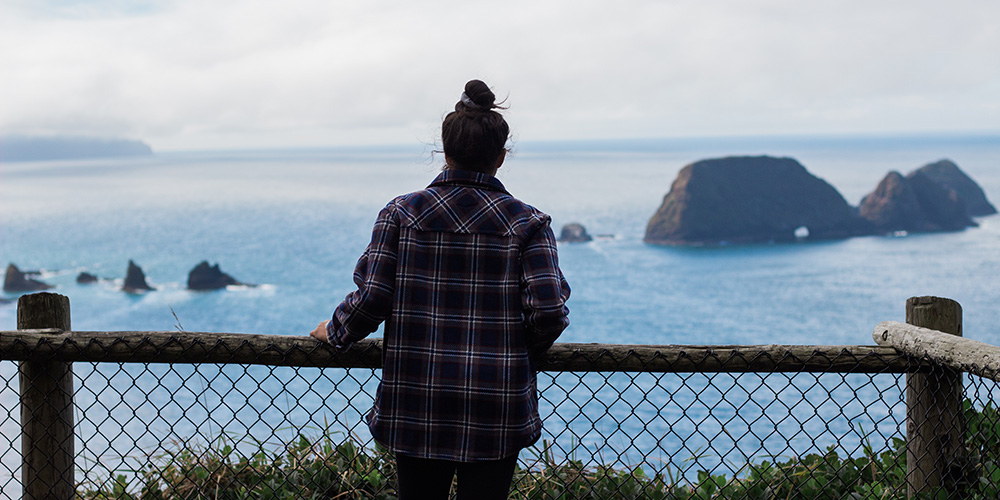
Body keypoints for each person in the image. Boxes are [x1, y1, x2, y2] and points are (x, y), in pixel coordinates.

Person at [310, 79, 571, 499]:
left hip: (417, 396)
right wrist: (515, 350)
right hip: (497, 400)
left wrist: (335, 330)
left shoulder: (400, 213)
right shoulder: (528, 224)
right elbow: (548, 312)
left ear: (444, 152)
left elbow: (373, 296)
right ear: (501, 157)